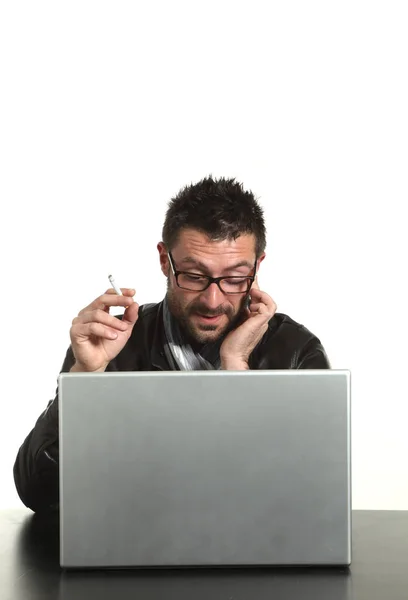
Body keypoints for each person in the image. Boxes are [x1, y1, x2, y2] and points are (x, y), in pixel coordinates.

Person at [13, 176, 330, 512]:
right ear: (165, 260)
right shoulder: (111, 347)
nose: (212, 300)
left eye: (235, 279)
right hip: (135, 550)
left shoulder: (297, 353)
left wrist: (236, 368)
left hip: (259, 557)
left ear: (257, 266)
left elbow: (309, 501)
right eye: (193, 276)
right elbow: (39, 493)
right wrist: (84, 379)